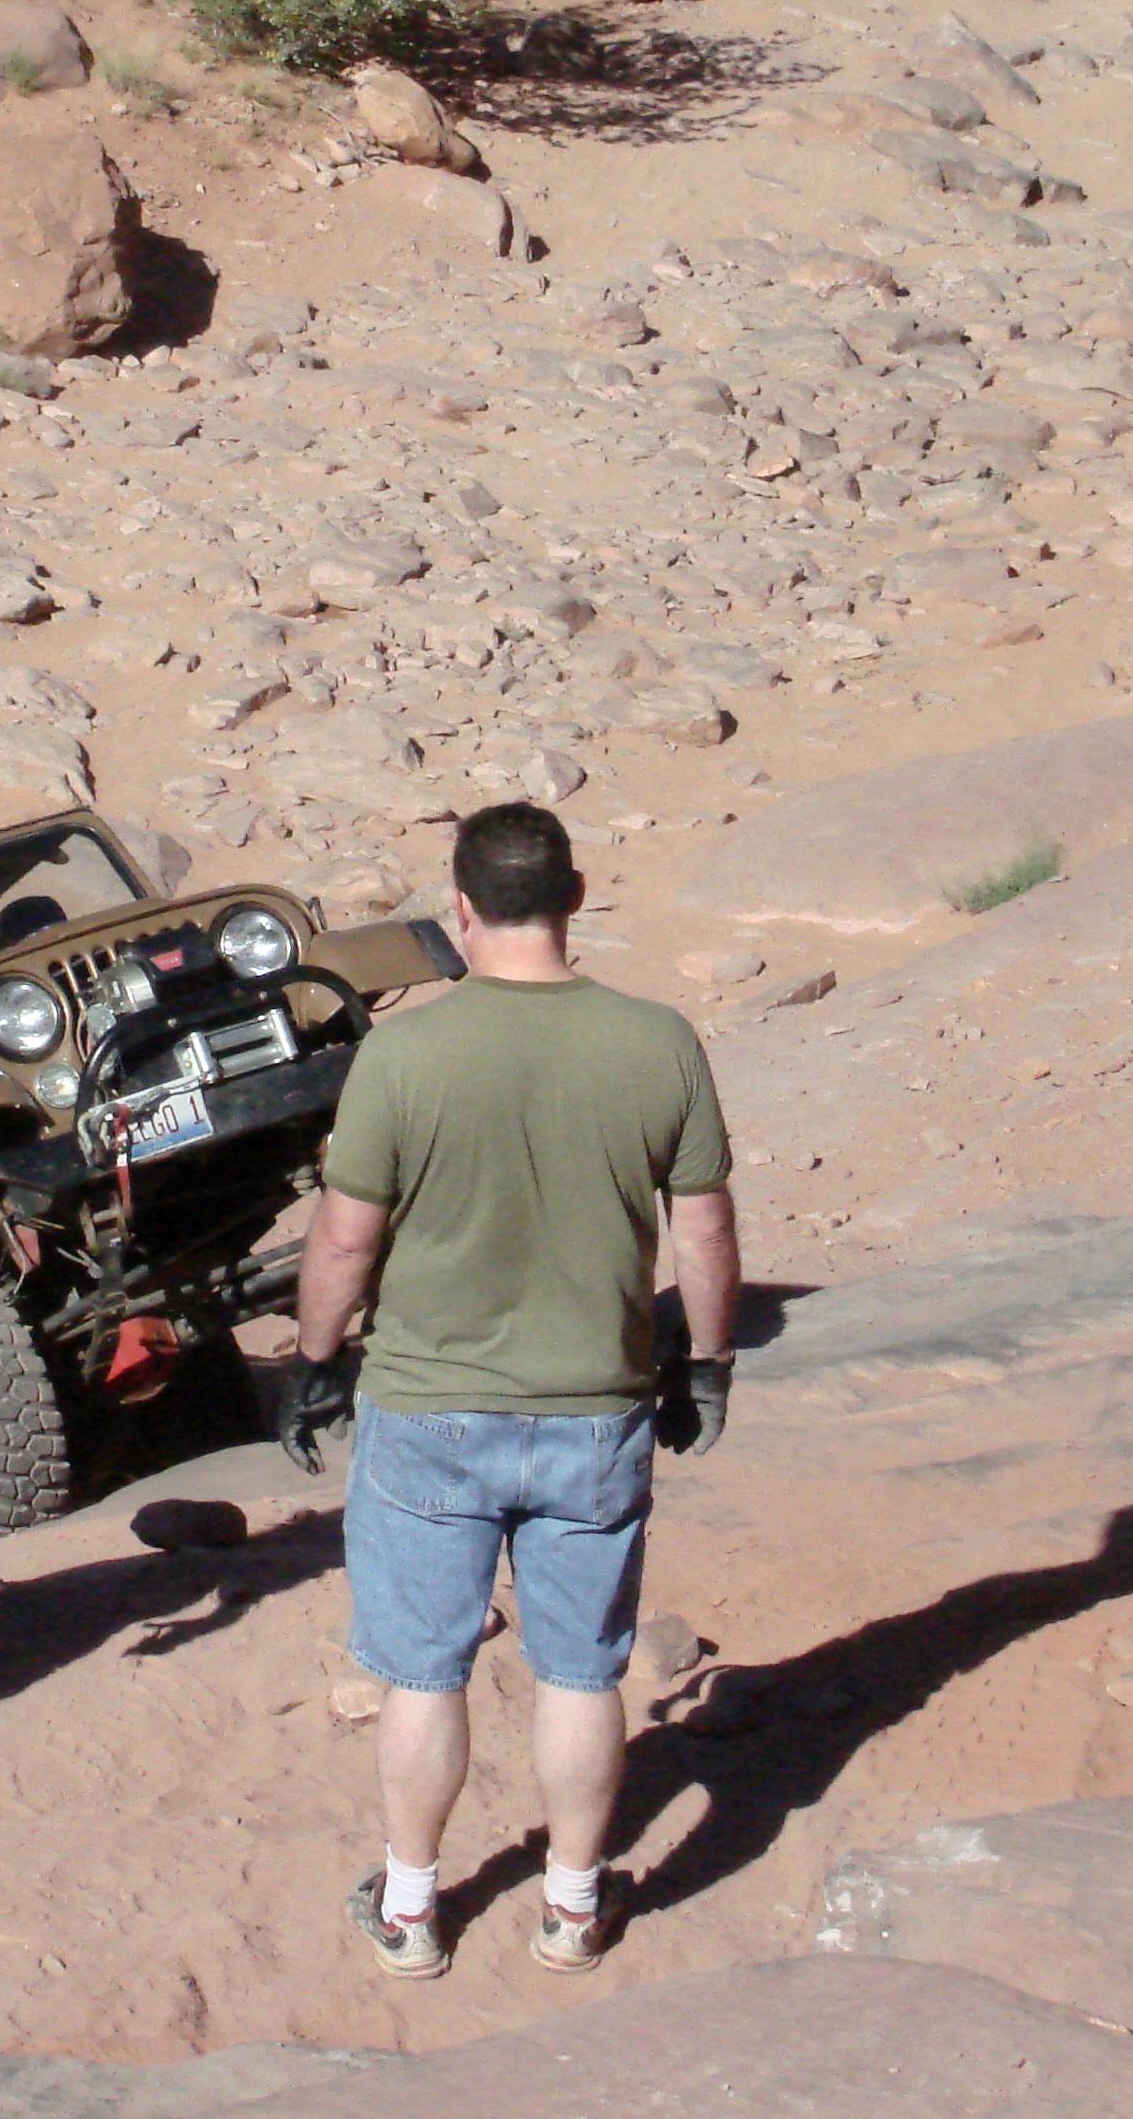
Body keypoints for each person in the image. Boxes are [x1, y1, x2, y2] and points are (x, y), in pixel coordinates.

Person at [279, 801, 741, 1980]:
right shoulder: (659, 1042)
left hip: (428, 1411)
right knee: (581, 1672)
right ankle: (574, 1909)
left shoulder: (403, 1055)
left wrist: (315, 1361)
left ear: (461, 909)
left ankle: (413, 1910)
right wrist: (706, 1363)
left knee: (424, 1674)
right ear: (573, 898)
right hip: (594, 1410)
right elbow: (702, 1227)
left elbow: (343, 1240)